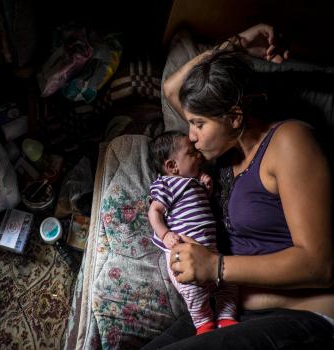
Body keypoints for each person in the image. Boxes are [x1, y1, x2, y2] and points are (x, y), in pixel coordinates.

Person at [142, 23, 334, 349]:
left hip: (302, 317)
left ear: (233, 117)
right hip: (227, 312)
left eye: (198, 124)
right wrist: (238, 44)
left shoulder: (288, 143)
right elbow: (174, 88)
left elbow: (321, 266)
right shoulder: (220, 153)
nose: (190, 136)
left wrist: (214, 266)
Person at [148, 131, 238, 335]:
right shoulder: (167, 184)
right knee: (194, 290)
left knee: (230, 284)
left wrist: (206, 189)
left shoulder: (194, 181)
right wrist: (164, 234)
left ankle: (226, 317)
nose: (199, 156)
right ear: (172, 166)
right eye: (191, 153)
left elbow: (201, 205)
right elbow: (154, 212)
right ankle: (203, 323)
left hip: (211, 251)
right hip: (182, 250)